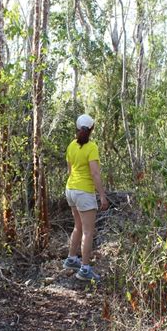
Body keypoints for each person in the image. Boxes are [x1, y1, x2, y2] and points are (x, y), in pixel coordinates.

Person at [63, 114, 108, 282]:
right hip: (83, 192)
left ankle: (71, 258)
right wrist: (102, 195)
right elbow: (95, 173)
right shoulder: (91, 147)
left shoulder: (71, 146)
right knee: (88, 231)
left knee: (78, 226)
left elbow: (69, 170)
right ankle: (85, 268)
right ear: (91, 129)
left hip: (71, 189)